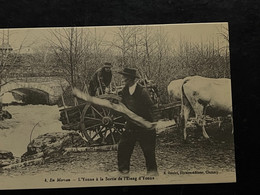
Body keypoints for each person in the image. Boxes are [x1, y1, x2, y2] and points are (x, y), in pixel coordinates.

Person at [117, 67, 158, 176]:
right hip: (131, 125)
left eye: (124, 76)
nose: (122, 78)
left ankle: (152, 173)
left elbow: (152, 107)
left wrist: (153, 123)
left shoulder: (142, 91)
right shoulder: (124, 91)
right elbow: (122, 105)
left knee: (148, 150)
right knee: (123, 147)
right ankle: (123, 171)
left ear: (130, 78)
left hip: (145, 125)